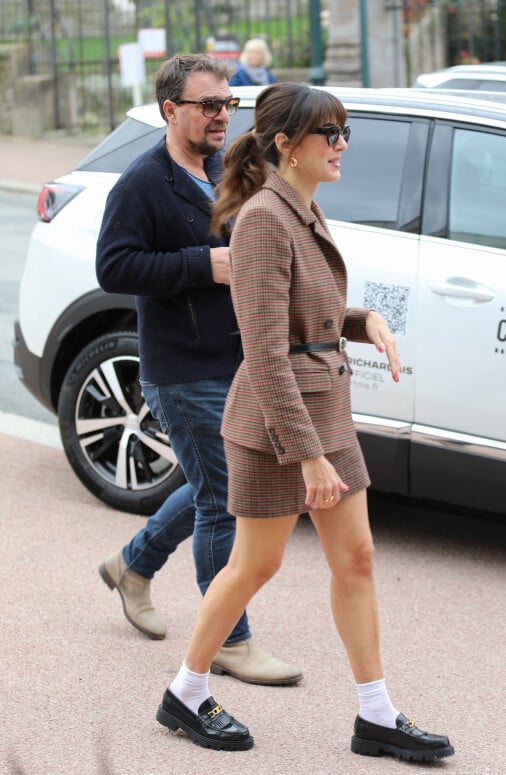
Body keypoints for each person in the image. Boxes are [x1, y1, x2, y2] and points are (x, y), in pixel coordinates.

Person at [155, 82, 455, 761]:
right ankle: (186, 690)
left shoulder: (303, 209)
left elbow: (305, 316)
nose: (342, 144)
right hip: (276, 426)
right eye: (330, 132)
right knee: (253, 565)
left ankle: (376, 714)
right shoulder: (264, 217)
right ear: (287, 144)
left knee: (357, 557)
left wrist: (361, 320)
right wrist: (308, 455)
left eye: (344, 130)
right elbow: (263, 349)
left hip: (326, 411)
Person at [95, 53, 301, 687]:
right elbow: (113, 268)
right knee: (226, 500)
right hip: (181, 370)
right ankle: (230, 642)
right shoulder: (141, 182)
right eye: (209, 105)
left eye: (228, 103)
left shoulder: (224, 166)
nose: (221, 115)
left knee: (217, 484)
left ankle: (134, 563)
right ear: (170, 110)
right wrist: (198, 265)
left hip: (236, 359)